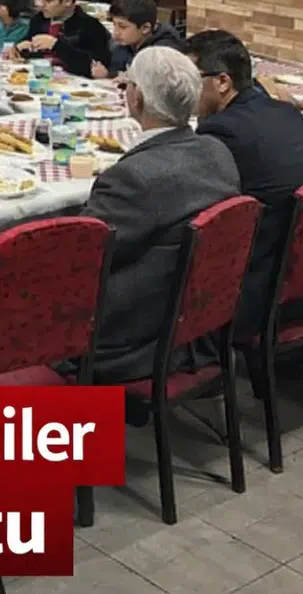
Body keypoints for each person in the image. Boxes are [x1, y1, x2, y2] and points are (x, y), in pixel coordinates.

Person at [82, 47, 240, 384]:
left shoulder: (133, 177)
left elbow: (83, 256)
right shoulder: (218, 151)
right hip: (198, 323)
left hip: (130, 340)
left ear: (136, 97)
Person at [187, 30, 303, 336]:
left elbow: (200, 208)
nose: (182, 88)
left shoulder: (221, 131)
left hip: (259, 287)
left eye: (190, 79)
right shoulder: (284, 112)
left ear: (222, 82)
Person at [14, 0, 111, 79]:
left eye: (48, 0)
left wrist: (56, 45)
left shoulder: (90, 27)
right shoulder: (39, 20)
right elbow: (29, 46)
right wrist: (20, 49)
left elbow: (97, 67)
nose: (40, 4)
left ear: (67, 2)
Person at [94, 0, 184, 79]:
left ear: (145, 28)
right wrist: (108, 73)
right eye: (114, 24)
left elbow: (153, 82)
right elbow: (117, 70)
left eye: (122, 27)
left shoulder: (163, 53)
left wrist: (111, 76)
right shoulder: (123, 44)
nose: (116, 32)